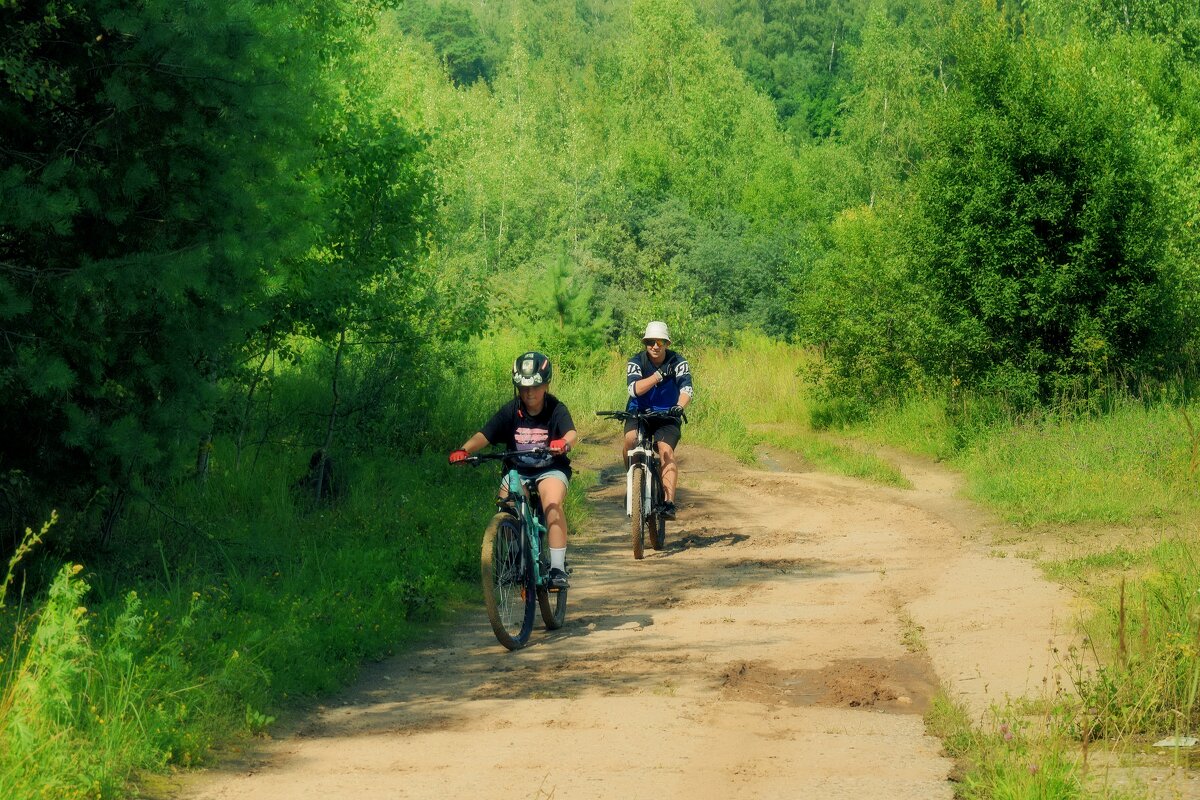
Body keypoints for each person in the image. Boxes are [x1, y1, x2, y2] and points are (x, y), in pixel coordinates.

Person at [449, 351, 577, 589]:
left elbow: (571, 433)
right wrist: (464, 450)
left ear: (546, 385)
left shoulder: (556, 408)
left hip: (551, 469)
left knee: (551, 505)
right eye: (523, 387)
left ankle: (558, 569)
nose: (529, 393)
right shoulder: (511, 410)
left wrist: (564, 443)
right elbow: (484, 434)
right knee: (506, 506)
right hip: (518, 470)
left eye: (535, 386)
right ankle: (517, 555)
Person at [623, 321, 693, 520]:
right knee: (630, 440)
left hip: (668, 414)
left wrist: (679, 406)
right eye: (651, 342)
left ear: (667, 343)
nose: (655, 346)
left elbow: (687, 389)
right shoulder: (636, 361)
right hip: (639, 412)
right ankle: (632, 481)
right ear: (645, 343)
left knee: (665, 451)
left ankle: (669, 502)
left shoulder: (678, 361)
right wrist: (657, 376)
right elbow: (634, 389)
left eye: (660, 342)